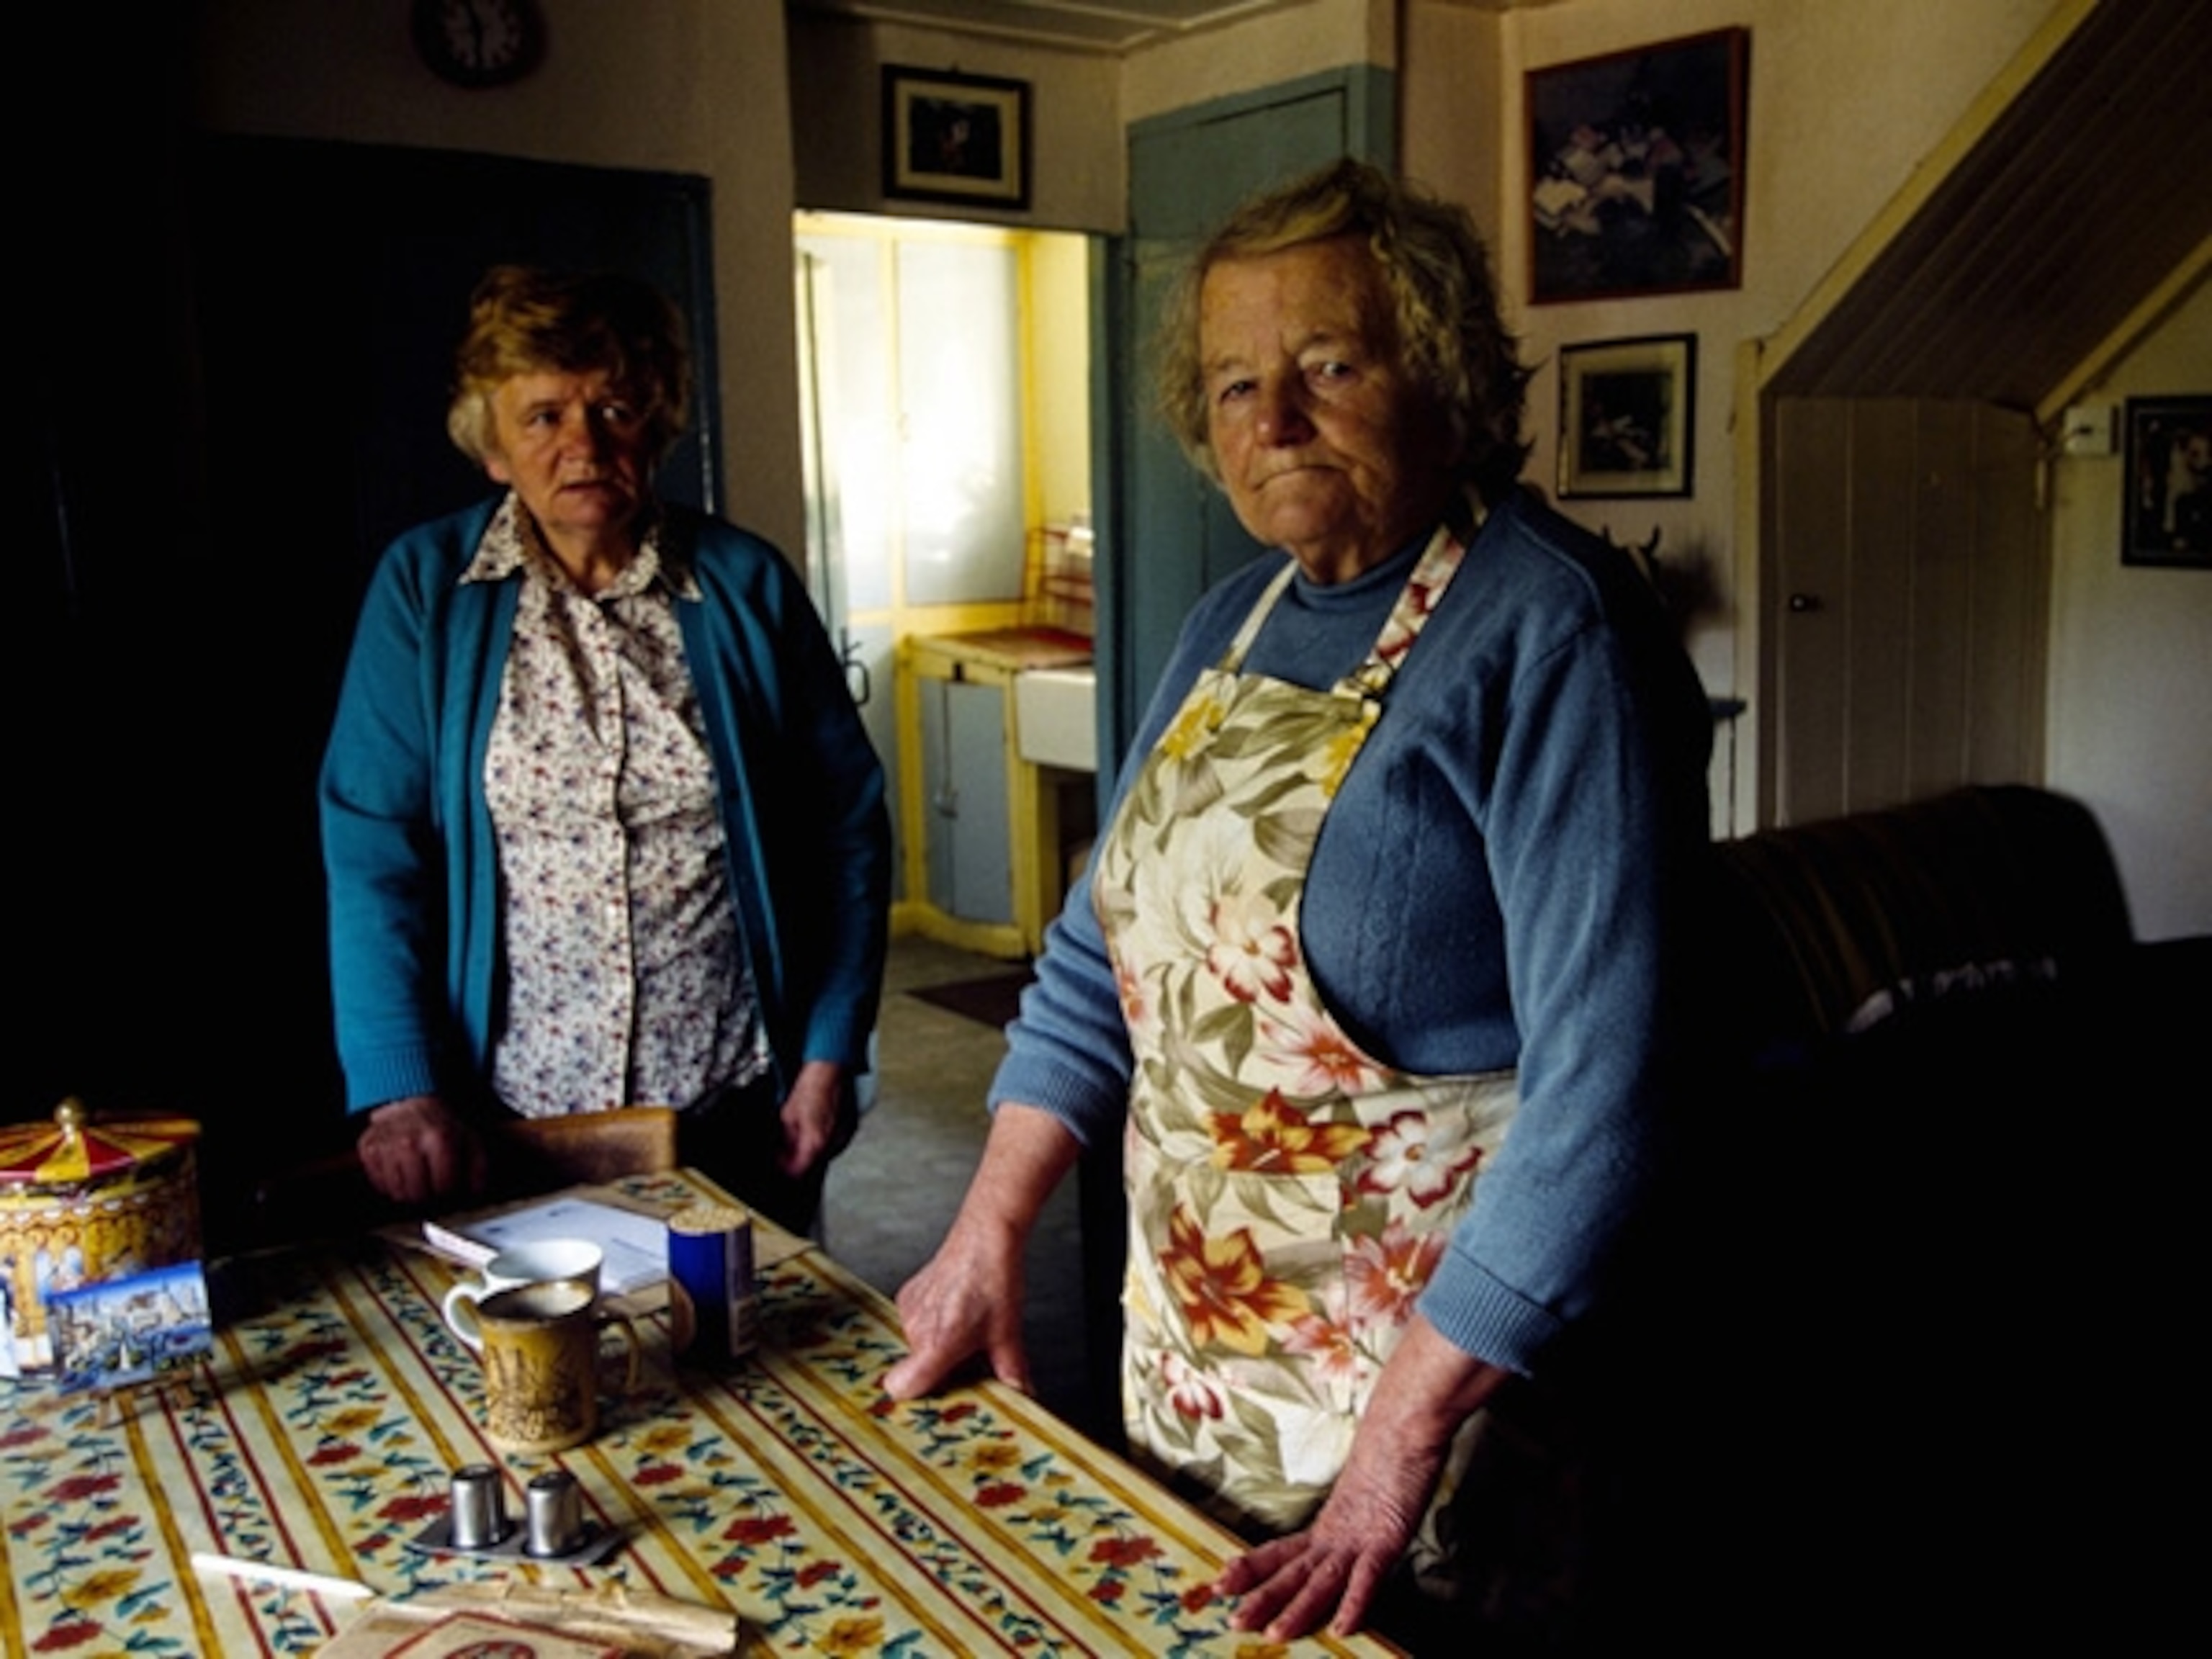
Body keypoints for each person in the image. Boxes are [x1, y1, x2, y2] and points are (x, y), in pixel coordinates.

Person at [883, 159, 1712, 1642]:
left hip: (1446, 1421)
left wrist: (1396, 1455)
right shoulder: (1232, 620)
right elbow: (1093, 967)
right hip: (1204, 1384)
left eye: (1328, 365)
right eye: (1233, 382)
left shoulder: (1555, 629)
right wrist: (982, 1236)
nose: (1272, 420)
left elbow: (1614, 1088)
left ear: (1444, 369)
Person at [322, 266, 889, 1231]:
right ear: (492, 444)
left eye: (614, 408)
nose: (581, 445)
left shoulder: (744, 585)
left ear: (658, 422)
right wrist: (402, 1089)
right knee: (537, 1377)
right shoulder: (426, 589)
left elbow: (847, 834)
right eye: (542, 415)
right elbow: (375, 854)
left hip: (736, 1106)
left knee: (760, 1370)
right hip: (508, 1124)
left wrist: (829, 1054)